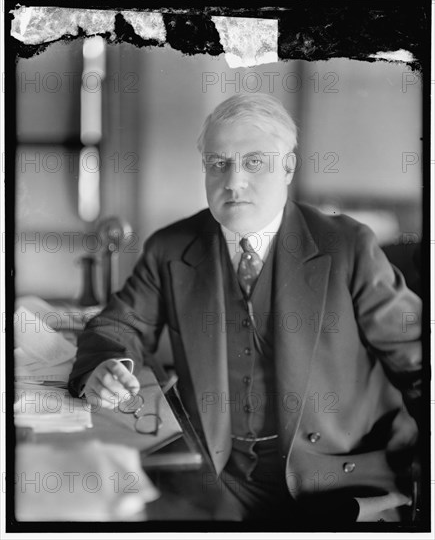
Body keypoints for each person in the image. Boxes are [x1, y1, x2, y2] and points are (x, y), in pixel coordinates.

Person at [68, 93, 421, 523]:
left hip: (337, 479)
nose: (233, 181)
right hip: (217, 474)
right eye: (218, 163)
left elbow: (419, 362)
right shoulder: (171, 248)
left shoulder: (348, 247)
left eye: (255, 162)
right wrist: (106, 362)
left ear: (288, 167)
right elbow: (118, 325)